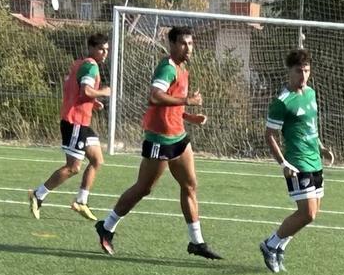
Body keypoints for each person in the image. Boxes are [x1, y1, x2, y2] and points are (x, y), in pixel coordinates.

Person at [93, 26, 222, 260]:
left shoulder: (183, 70)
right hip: (159, 139)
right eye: (183, 43)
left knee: (190, 186)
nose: (188, 47)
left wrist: (189, 116)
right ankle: (107, 226)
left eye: (191, 43)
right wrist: (189, 100)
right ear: (172, 44)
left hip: (179, 137)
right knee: (144, 188)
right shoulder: (167, 68)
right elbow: (154, 96)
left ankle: (197, 242)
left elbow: (171, 105)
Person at [259, 48, 334, 273]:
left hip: (314, 161)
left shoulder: (310, 93)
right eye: (299, 71)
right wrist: (283, 163)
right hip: (297, 162)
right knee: (307, 213)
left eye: (307, 70)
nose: (303, 75)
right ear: (289, 72)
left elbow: (311, 127)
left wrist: (321, 148)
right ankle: (270, 244)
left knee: (312, 214)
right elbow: (269, 135)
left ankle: (278, 247)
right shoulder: (282, 102)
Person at [28, 33, 112, 221]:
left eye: (107, 49)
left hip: (82, 120)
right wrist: (103, 92)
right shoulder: (91, 66)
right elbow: (86, 90)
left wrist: (93, 102)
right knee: (73, 167)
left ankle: (81, 202)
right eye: (101, 49)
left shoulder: (79, 63)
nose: (105, 53)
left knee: (97, 160)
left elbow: (77, 92)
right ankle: (38, 195)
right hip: (75, 121)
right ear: (91, 48)